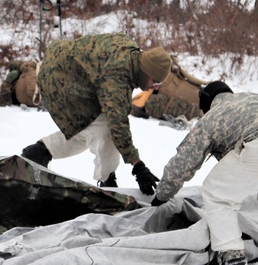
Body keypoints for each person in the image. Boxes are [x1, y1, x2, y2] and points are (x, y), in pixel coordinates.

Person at [150, 82, 258, 265]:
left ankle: (230, 252)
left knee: (218, 194)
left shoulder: (214, 115)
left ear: (206, 102)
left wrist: (162, 196)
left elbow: (183, 163)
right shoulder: (256, 99)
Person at [20, 34, 171, 193]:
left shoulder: (130, 52)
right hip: (61, 81)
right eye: (155, 82)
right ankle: (107, 183)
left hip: (60, 67)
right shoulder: (118, 75)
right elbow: (118, 124)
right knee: (105, 130)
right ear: (147, 72)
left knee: (89, 128)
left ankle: (39, 152)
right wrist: (138, 165)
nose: (155, 88)